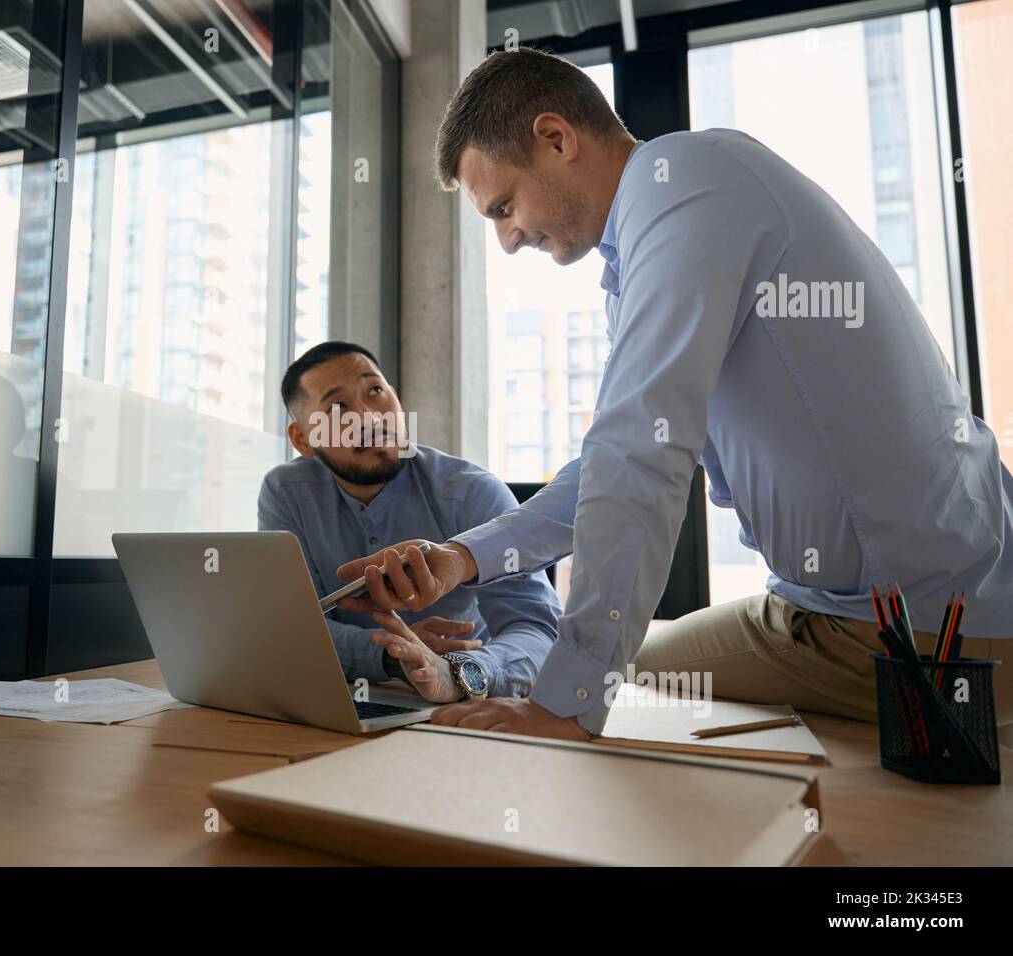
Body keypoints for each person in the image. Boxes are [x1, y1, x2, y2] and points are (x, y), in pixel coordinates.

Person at [334, 48, 1013, 743]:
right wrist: (464, 557)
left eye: (504, 207)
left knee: (602, 688)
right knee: (613, 673)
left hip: (916, 625)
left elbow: (636, 455)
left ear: (556, 138)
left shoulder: (686, 184)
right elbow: (618, 462)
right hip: (829, 607)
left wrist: (564, 709)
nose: (507, 240)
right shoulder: (655, 231)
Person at [259, 340, 560, 703]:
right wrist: (393, 656)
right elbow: (288, 626)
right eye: (338, 407)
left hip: (467, 706)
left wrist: (458, 671)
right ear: (303, 440)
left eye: (375, 391)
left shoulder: (471, 493)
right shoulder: (287, 493)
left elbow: (539, 628)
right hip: (340, 700)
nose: (370, 417)